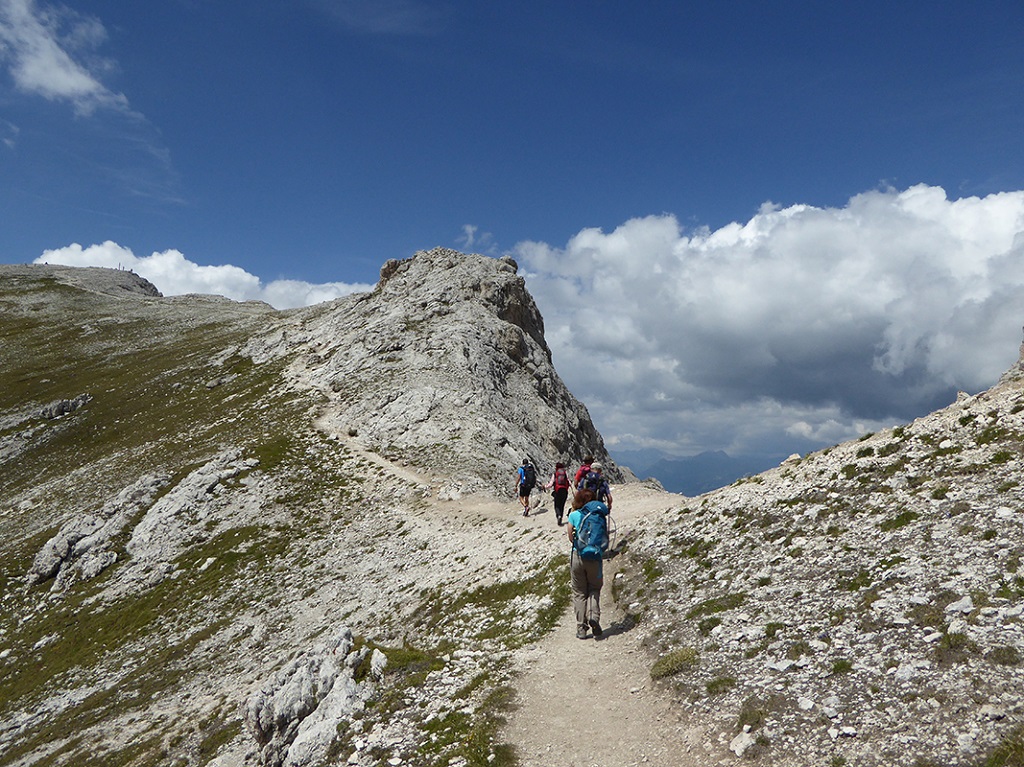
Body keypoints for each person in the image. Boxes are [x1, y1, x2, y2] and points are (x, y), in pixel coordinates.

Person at [566, 488, 609, 639]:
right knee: (594, 588)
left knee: (579, 592)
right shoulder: (599, 516)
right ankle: (593, 617)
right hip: (595, 558)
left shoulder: (573, 515)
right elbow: (604, 537)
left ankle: (581, 629)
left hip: (578, 556)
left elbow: (570, 537)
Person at [543, 461, 571, 526]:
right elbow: (569, 482)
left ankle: (558, 515)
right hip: (564, 491)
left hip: (557, 491)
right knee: (562, 505)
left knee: (557, 505)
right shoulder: (565, 473)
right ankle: (561, 515)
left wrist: (545, 486)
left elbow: (551, 484)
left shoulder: (555, 474)